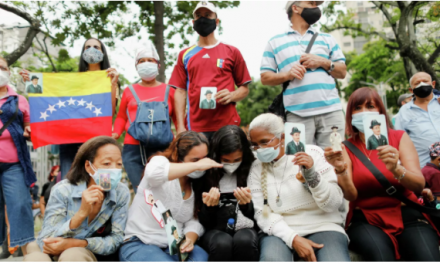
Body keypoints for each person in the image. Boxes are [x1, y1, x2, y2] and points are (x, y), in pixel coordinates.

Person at [324, 87, 440, 261]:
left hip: (406, 213)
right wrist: (340, 169)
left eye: (370, 106)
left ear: (380, 110)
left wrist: (396, 169)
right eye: (357, 108)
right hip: (366, 218)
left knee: (427, 255)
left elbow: (418, 184)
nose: (364, 112)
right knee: (380, 255)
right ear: (350, 115)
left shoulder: (399, 137)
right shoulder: (346, 147)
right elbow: (350, 194)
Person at [247, 113, 349, 262]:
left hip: (324, 225)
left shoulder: (313, 154)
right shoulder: (256, 167)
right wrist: (293, 238)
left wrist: (311, 174)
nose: (259, 149)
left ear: (282, 137)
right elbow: (262, 214)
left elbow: (333, 204)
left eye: (264, 142)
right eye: (255, 144)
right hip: (279, 231)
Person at [20, 38, 120, 180]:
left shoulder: (110, 78)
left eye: (96, 47)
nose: (92, 49)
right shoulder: (73, 79)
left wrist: (113, 84)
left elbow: (110, 111)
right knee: (70, 182)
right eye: (88, 47)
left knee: (99, 183)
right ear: (82, 52)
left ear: (103, 52)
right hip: (69, 140)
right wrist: (32, 80)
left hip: (97, 140)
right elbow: (51, 92)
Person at [24, 136, 130, 262]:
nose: (114, 169)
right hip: (50, 250)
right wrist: (80, 214)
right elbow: (46, 239)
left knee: (73, 254)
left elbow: (116, 240)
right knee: (35, 258)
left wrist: (76, 243)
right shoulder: (63, 190)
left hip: (84, 252)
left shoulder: (121, 192)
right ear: (89, 166)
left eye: (119, 164)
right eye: (107, 163)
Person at [120, 131, 222, 261]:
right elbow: (153, 174)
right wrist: (196, 166)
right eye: (195, 159)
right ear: (179, 158)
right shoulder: (160, 163)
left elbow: (193, 221)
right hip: (141, 241)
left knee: (202, 258)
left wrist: (189, 240)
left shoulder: (197, 183)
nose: (203, 164)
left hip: (173, 244)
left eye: (205, 158)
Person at [260, 1, 347, 148]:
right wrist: (288, 75)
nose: (316, 7)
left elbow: (342, 71)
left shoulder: (327, 39)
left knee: (335, 161)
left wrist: (324, 62)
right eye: (311, 3)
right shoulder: (274, 42)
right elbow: (265, 77)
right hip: (296, 114)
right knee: (299, 164)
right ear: (295, 8)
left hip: (331, 112)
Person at [169, 1, 251, 141]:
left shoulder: (232, 52)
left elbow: (244, 88)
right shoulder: (185, 54)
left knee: (227, 163)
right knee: (200, 163)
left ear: (216, 21)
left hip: (227, 126)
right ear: (193, 22)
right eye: (199, 15)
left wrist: (232, 95)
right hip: (195, 127)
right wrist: (181, 127)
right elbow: (180, 91)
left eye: (207, 15)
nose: (203, 19)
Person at [113, 40, 177, 193]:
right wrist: (115, 133)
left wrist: (183, 139)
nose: (146, 63)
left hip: (164, 149)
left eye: (150, 60)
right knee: (141, 192)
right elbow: (121, 116)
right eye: (142, 61)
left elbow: (178, 118)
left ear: (158, 65)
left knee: (164, 192)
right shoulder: (129, 91)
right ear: (136, 66)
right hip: (133, 149)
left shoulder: (170, 91)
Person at [194, 125, 259, 261]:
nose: (231, 165)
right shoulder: (206, 173)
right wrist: (209, 207)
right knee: (221, 243)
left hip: (246, 227)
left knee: (244, 240)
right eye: (226, 161)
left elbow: (259, 216)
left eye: (236, 160)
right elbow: (202, 221)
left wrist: (246, 206)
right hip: (214, 230)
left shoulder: (252, 170)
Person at [0, 57, 36, 256]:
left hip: (14, 163)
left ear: (9, 72)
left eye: (2, 68)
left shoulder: (20, 99)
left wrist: (30, 130)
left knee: (21, 204)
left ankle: (28, 251)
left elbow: (32, 125)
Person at [395, 72, 440, 169]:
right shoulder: (405, 111)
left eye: (425, 81)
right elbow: (398, 140)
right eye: (417, 83)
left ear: (433, 84)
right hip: (425, 168)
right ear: (411, 90)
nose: (422, 84)